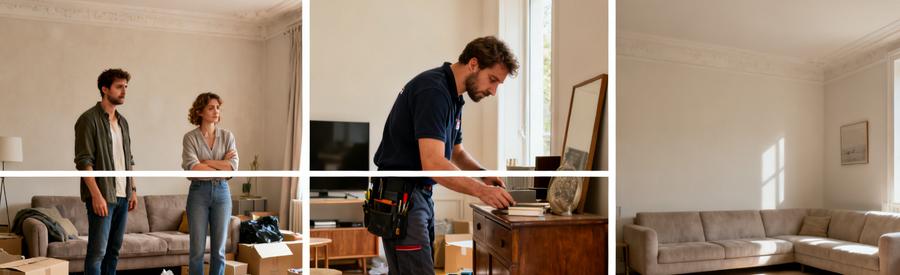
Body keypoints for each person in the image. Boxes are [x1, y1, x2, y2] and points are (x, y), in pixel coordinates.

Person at [372, 36, 519, 275]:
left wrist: (484, 175)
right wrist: (482, 191)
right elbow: (433, 163)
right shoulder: (434, 91)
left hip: (416, 196)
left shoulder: (453, 96)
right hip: (403, 196)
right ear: (473, 64)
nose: (493, 91)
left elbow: (455, 152)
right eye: (492, 80)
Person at [74, 68, 138, 275]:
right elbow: (84, 162)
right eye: (119, 87)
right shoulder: (88, 119)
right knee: (97, 252)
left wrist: (133, 189)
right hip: (103, 195)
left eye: (125, 87)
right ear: (105, 89)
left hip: (123, 194)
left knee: (114, 251)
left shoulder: (123, 122)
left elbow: (129, 159)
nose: (124, 91)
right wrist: (96, 196)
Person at [181, 92, 238, 275]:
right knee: (197, 251)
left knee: (219, 252)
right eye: (211, 108)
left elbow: (233, 168)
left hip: (222, 193)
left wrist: (206, 162)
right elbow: (193, 168)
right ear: (199, 111)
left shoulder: (228, 136)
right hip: (198, 193)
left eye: (218, 108)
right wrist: (221, 166)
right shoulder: (190, 138)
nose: (216, 111)